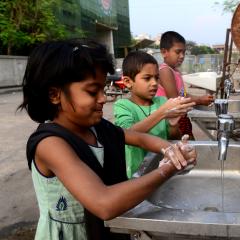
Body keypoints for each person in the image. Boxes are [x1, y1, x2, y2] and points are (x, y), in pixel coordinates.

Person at [18, 39, 196, 240]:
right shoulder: (50, 144)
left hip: (102, 231)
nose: (103, 98)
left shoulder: (96, 127)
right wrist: (168, 168)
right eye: (93, 91)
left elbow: (139, 138)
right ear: (54, 95)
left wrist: (170, 149)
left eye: (103, 89)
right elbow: (104, 203)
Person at [113, 51, 195, 178]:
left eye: (156, 78)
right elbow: (128, 133)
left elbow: (173, 137)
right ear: (128, 82)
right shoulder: (123, 105)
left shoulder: (161, 101)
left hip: (162, 169)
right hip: (137, 174)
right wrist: (162, 112)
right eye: (147, 78)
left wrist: (173, 125)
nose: (154, 83)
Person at [156, 31, 214, 139]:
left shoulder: (175, 71)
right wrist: (199, 100)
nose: (182, 56)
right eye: (178, 52)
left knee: (188, 149)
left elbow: (183, 94)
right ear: (164, 52)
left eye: (184, 52)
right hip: (171, 121)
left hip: (180, 117)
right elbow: (176, 100)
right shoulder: (165, 71)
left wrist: (199, 98)